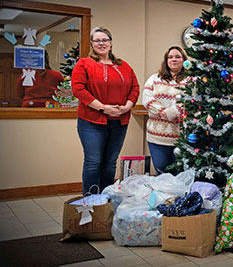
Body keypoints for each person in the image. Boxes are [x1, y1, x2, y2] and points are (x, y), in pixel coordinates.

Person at [71, 27, 140, 194]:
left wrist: (127, 107)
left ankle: (106, 200)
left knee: (110, 163)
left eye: (105, 40)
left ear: (111, 42)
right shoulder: (84, 64)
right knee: (93, 162)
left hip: (119, 121)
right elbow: (78, 89)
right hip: (92, 122)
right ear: (92, 44)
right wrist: (103, 108)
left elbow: (135, 87)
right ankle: (91, 201)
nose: (101, 43)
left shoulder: (123, 66)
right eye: (97, 40)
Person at [142, 46, 187, 175]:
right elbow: (147, 99)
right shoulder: (154, 79)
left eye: (178, 57)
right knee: (161, 171)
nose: (174, 59)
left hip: (182, 137)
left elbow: (193, 101)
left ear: (184, 60)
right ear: (166, 60)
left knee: (180, 174)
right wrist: (164, 112)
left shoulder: (192, 80)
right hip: (157, 136)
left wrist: (175, 112)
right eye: (170, 57)